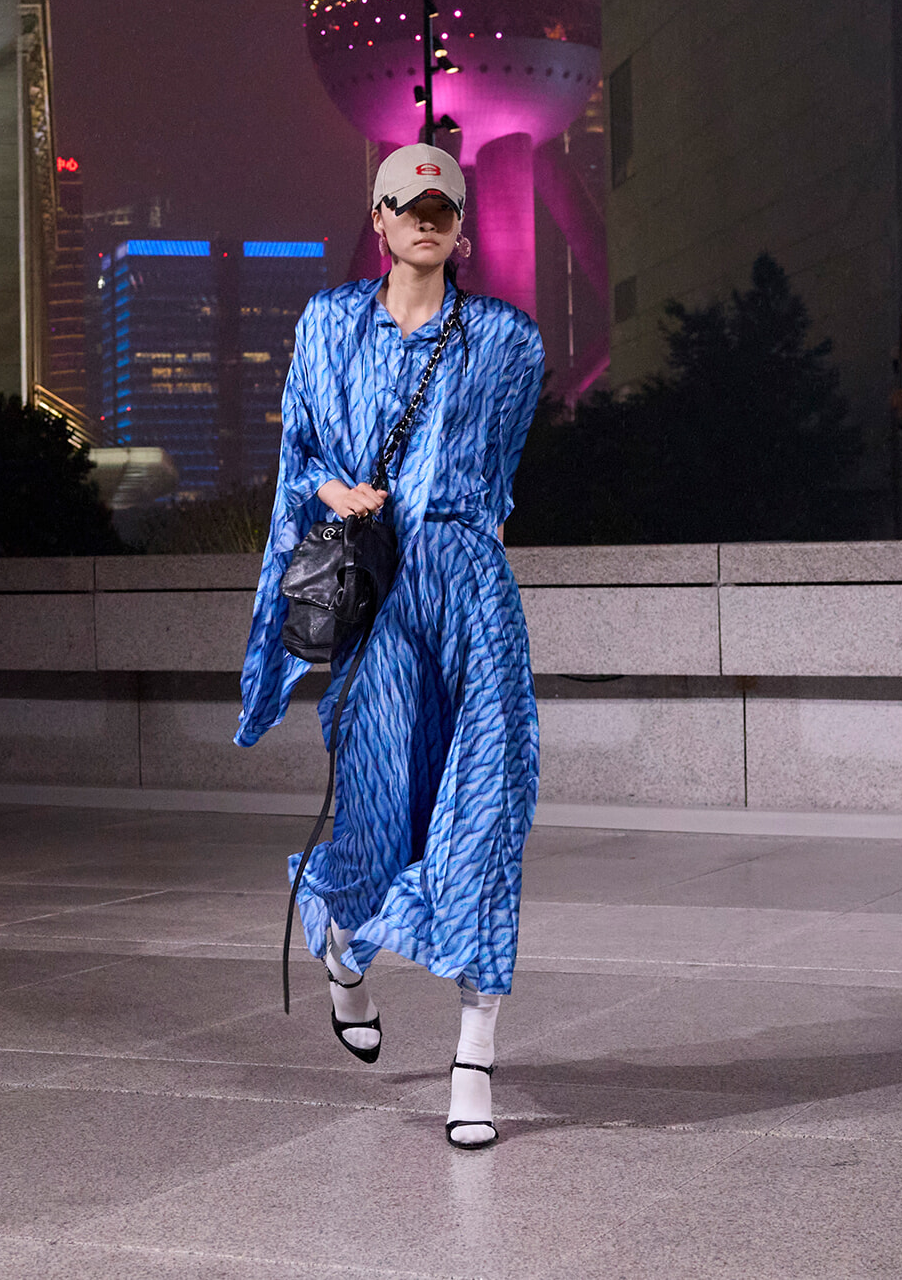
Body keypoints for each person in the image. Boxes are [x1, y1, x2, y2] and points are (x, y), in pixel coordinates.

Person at [235, 143, 544, 1148]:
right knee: (373, 815)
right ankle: (341, 944)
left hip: (471, 595)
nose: (425, 218)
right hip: (382, 598)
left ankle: (473, 1061)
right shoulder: (328, 322)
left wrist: (468, 565)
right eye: (408, 204)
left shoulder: (507, 339)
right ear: (377, 216)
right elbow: (299, 453)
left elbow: (498, 479)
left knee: (488, 813)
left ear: (461, 226)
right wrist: (335, 490)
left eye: (442, 208)